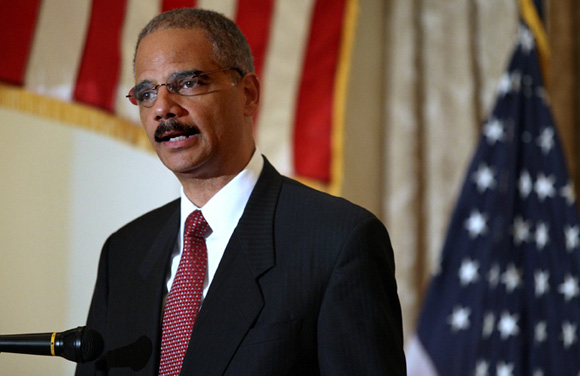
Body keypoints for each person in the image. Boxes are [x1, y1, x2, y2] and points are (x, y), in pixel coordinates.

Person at [75, 8, 406, 376]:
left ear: (248, 94)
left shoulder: (337, 241)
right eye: (147, 92)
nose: (163, 108)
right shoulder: (124, 251)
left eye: (187, 83)